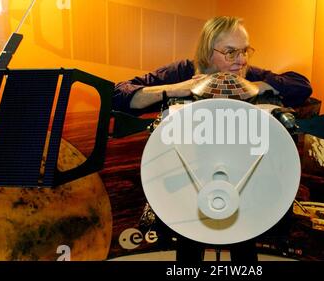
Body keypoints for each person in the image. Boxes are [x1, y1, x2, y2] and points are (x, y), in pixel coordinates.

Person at [112, 16, 312, 262]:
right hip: (188, 180)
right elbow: (120, 95)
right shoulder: (183, 71)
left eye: (245, 51)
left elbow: (302, 87)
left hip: (241, 180)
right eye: (230, 53)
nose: (241, 60)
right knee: (189, 247)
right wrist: (178, 88)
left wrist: (258, 85)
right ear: (208, 52)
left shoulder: (246, 73)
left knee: (244, 248)